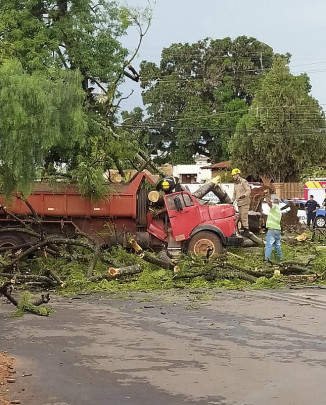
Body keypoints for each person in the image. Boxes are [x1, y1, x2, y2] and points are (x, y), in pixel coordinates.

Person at [232, 168, 251, 236]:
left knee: (244, 217)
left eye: (234, 175)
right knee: (239, 217)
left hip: (245, 203)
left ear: (237, 174)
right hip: (239, 204)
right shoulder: (236, 184)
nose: (233, 177)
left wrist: (244, 195)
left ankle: (247, 231)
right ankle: (240, 230)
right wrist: (231, 201)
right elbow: (234, 194)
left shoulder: (244, 181)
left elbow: (248, 190)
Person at [264, 194, 282, 262]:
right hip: (278, 229)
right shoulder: (279, 210)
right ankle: (280, 259)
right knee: (277, 245)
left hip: (272, 229)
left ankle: (267, 260)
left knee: (269, 245)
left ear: (275, 201)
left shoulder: (275, 207)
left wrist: (266, 196)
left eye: (273, 200)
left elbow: (269, 204)